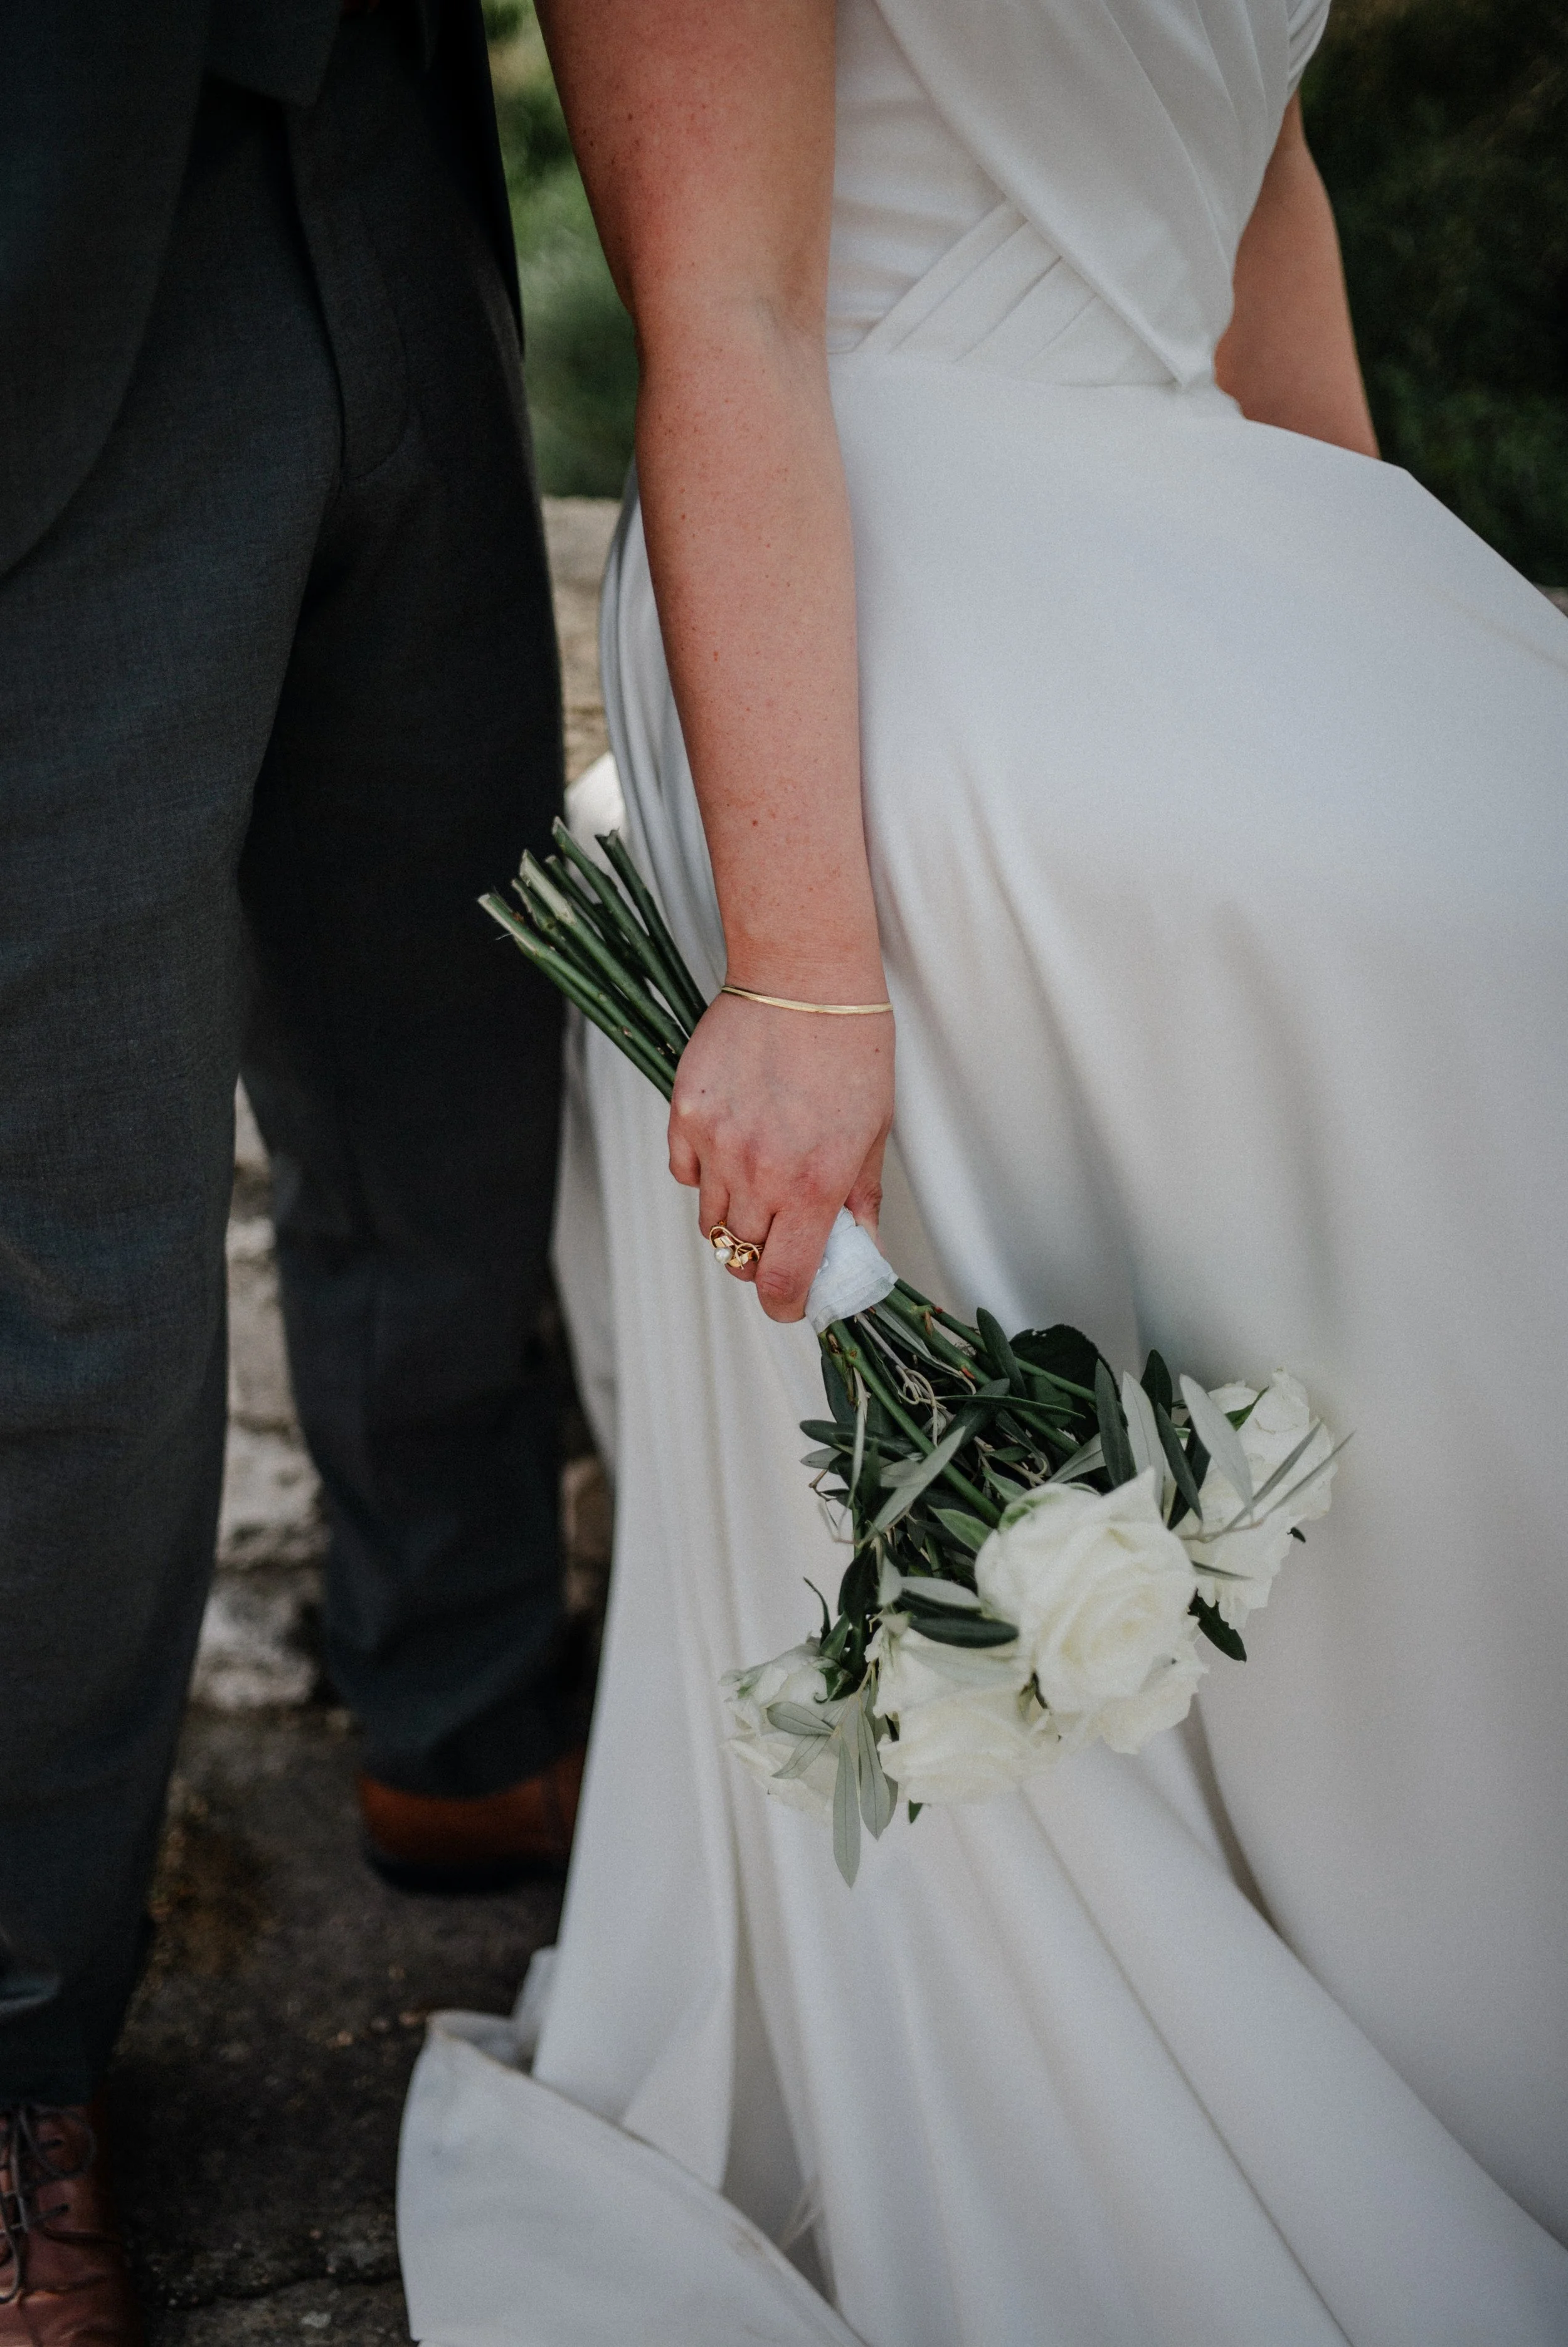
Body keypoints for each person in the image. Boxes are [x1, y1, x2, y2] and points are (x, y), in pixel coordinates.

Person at [398, 0, 1568, 2339]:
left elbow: (1259, 192)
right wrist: (808, 972)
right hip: (870, 587)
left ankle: (1441, 1948)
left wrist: (1384, 588)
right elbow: (715, 303)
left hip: (1194, 525)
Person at [0, 3, 581, 2336]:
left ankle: (459, 1703)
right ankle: (19, 2049)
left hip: (390, 146)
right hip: (45, 254)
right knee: (69, 1244)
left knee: (455, 1042)